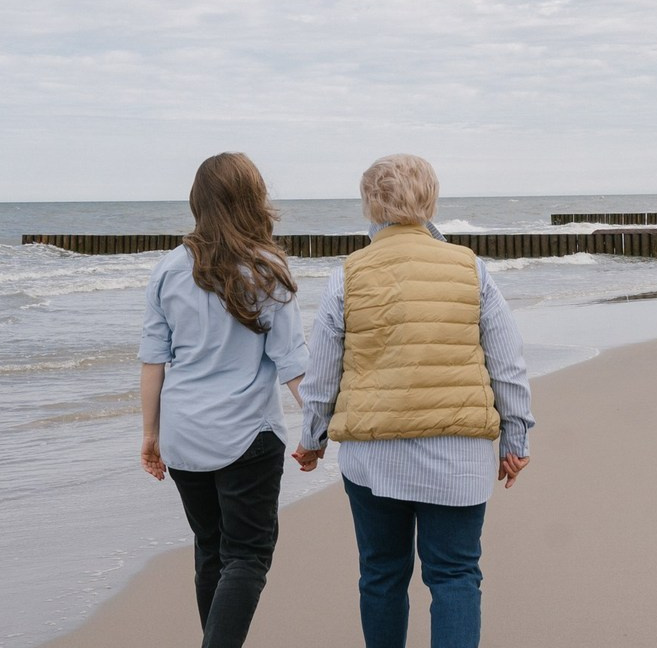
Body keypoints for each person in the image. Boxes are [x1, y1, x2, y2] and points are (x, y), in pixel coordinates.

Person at [293, 153, 534, 648]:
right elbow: (507, 363)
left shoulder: (349, 275)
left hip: (373, 459)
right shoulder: (471, 269)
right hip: (458, 455)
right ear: (430, 200)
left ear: (369, 205)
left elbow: (321, 372)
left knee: (381, 575)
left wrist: (312, 439)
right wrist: (516, 437)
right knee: (455, 577)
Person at [139, 152, 308, 648]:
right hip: (247, 434)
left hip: (184, 434)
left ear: (198, 202)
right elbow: (294, 364)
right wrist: (319, 428)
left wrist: (151, 435)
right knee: (248, 557)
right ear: (254, 200)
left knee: (210, 549)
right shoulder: (266, 268)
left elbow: (154, 363)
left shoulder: (168, 269)